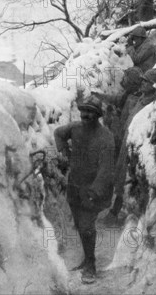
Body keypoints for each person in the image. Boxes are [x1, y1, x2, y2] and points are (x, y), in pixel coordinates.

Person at [54, 96, 115, 284]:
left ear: (97, 115)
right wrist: (64, 152)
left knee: (87, 226)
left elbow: (106, 169)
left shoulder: (106, 137)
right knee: (81, 225)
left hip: (94, 188)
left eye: (90, 112)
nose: (85, 115)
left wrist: (94, 191)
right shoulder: (75, 128)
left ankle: (91, 265)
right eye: (83, 111)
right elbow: (58, 133)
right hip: (75, 185)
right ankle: (86, 257)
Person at [106, 68, 156, 221]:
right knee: (120, 176)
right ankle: (118, 211)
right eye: (143, 80)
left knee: (130, 178)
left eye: (147, 81)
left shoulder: (155, 104)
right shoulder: (140, 98)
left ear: (154, 85)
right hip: (127, 140)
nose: (142, 83)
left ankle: (120, 213)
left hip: (137, 146)